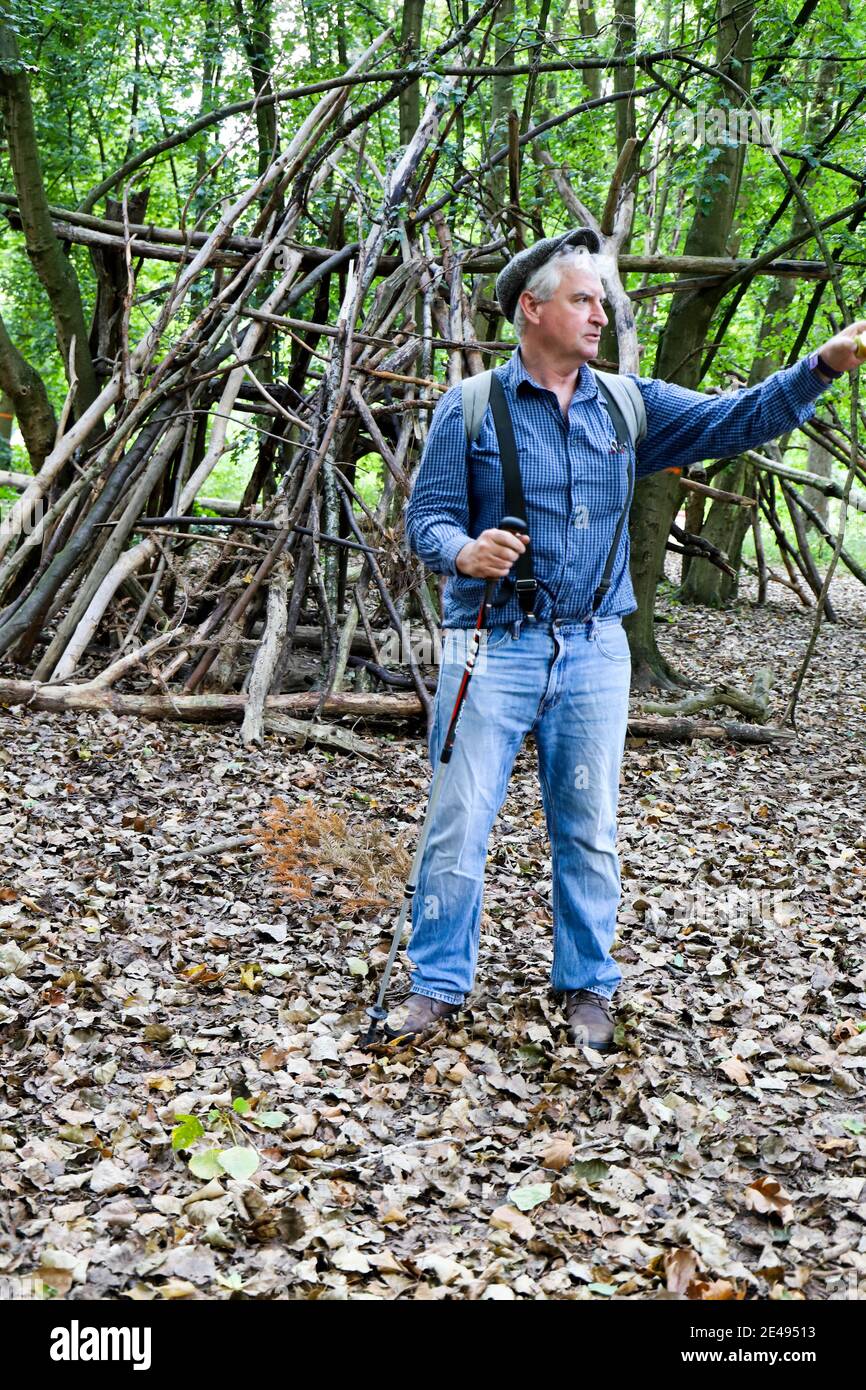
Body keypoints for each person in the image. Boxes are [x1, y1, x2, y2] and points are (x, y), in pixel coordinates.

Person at [392, 226, 865, 1051]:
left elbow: (733, 420)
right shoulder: (468, 408)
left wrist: (819, 368)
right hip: (488, 644)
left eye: (603, 301)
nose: (600, 314)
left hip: (596, 651)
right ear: (531, 309)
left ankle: (587, 986)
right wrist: (461, 549)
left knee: (589, 826)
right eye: (583, 299)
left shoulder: (627, 403)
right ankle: (435, 986)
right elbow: (424, 517)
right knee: (460, 819)